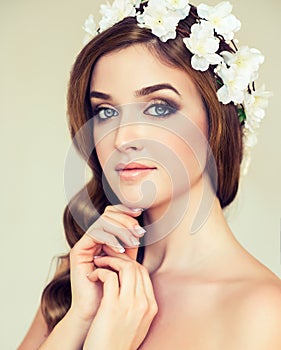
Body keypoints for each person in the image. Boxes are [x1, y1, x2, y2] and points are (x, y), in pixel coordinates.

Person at [19, 1, 281, 349]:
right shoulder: (81, 279)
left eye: (159, 107)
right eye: (106, 111)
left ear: (216, 122)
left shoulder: (261, 311)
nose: (123, 138)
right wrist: (81, 317)